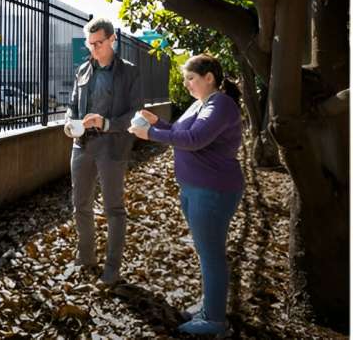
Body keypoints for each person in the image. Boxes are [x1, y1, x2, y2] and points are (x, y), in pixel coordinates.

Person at [127, 53, 243, 335]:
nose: (187, 84)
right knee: (207, 252)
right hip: (196, 188)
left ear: (209, 78)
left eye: (191, 78)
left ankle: (215, 320)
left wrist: (151, 134)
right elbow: (181, 131)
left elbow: (194, 139)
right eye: (185, 79)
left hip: (213, 190)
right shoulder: (201, 104)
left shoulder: (221, 105)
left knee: (212, 254)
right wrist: (160, 123)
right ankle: (210, 307)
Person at [64, 18, 141, 286]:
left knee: (113, 209)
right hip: (82, 145)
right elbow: (73, 104)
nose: (94, 48)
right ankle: (85, 257)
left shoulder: (129, 72)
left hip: (112, 146)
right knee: (80, 205)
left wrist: (106, 123)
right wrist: (71, 121)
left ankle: (112, 268)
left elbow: (135, 113)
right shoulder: (83, 70)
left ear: (112, 40)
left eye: (99, 43)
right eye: (90, 43)